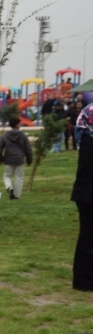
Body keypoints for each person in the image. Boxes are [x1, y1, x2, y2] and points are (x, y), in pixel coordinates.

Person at [71, 104, 93, 292]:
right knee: (87, 237)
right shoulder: (88, 141)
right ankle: (83, 281)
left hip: (86, 193)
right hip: (87, 196)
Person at [0, 117, 33, 200]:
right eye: (19, 123)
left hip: (8, 159)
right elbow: (28, 148)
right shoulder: (23, 135)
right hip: (20, 159)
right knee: (19, 177)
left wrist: (0, 159)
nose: (20, 125)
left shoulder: (5, 135)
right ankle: (16, 195)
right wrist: (29, 159)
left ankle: (9, 187)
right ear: (17, 125)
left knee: (7, 176)